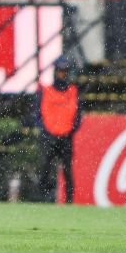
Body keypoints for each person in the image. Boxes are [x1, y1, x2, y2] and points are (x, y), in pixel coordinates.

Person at [37, 56, 81, 204]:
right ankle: (42, 198)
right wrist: (45, 130)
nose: (63, 74)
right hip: (49, 136)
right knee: (45, 169)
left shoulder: (73, 91)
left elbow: (78, 115)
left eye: (65, 72)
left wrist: (70, 130)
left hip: (66, 137)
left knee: (67, 170)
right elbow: (38, 114)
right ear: (56, 72)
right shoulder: (46, 91)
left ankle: (69, 200)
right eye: (61, 71)